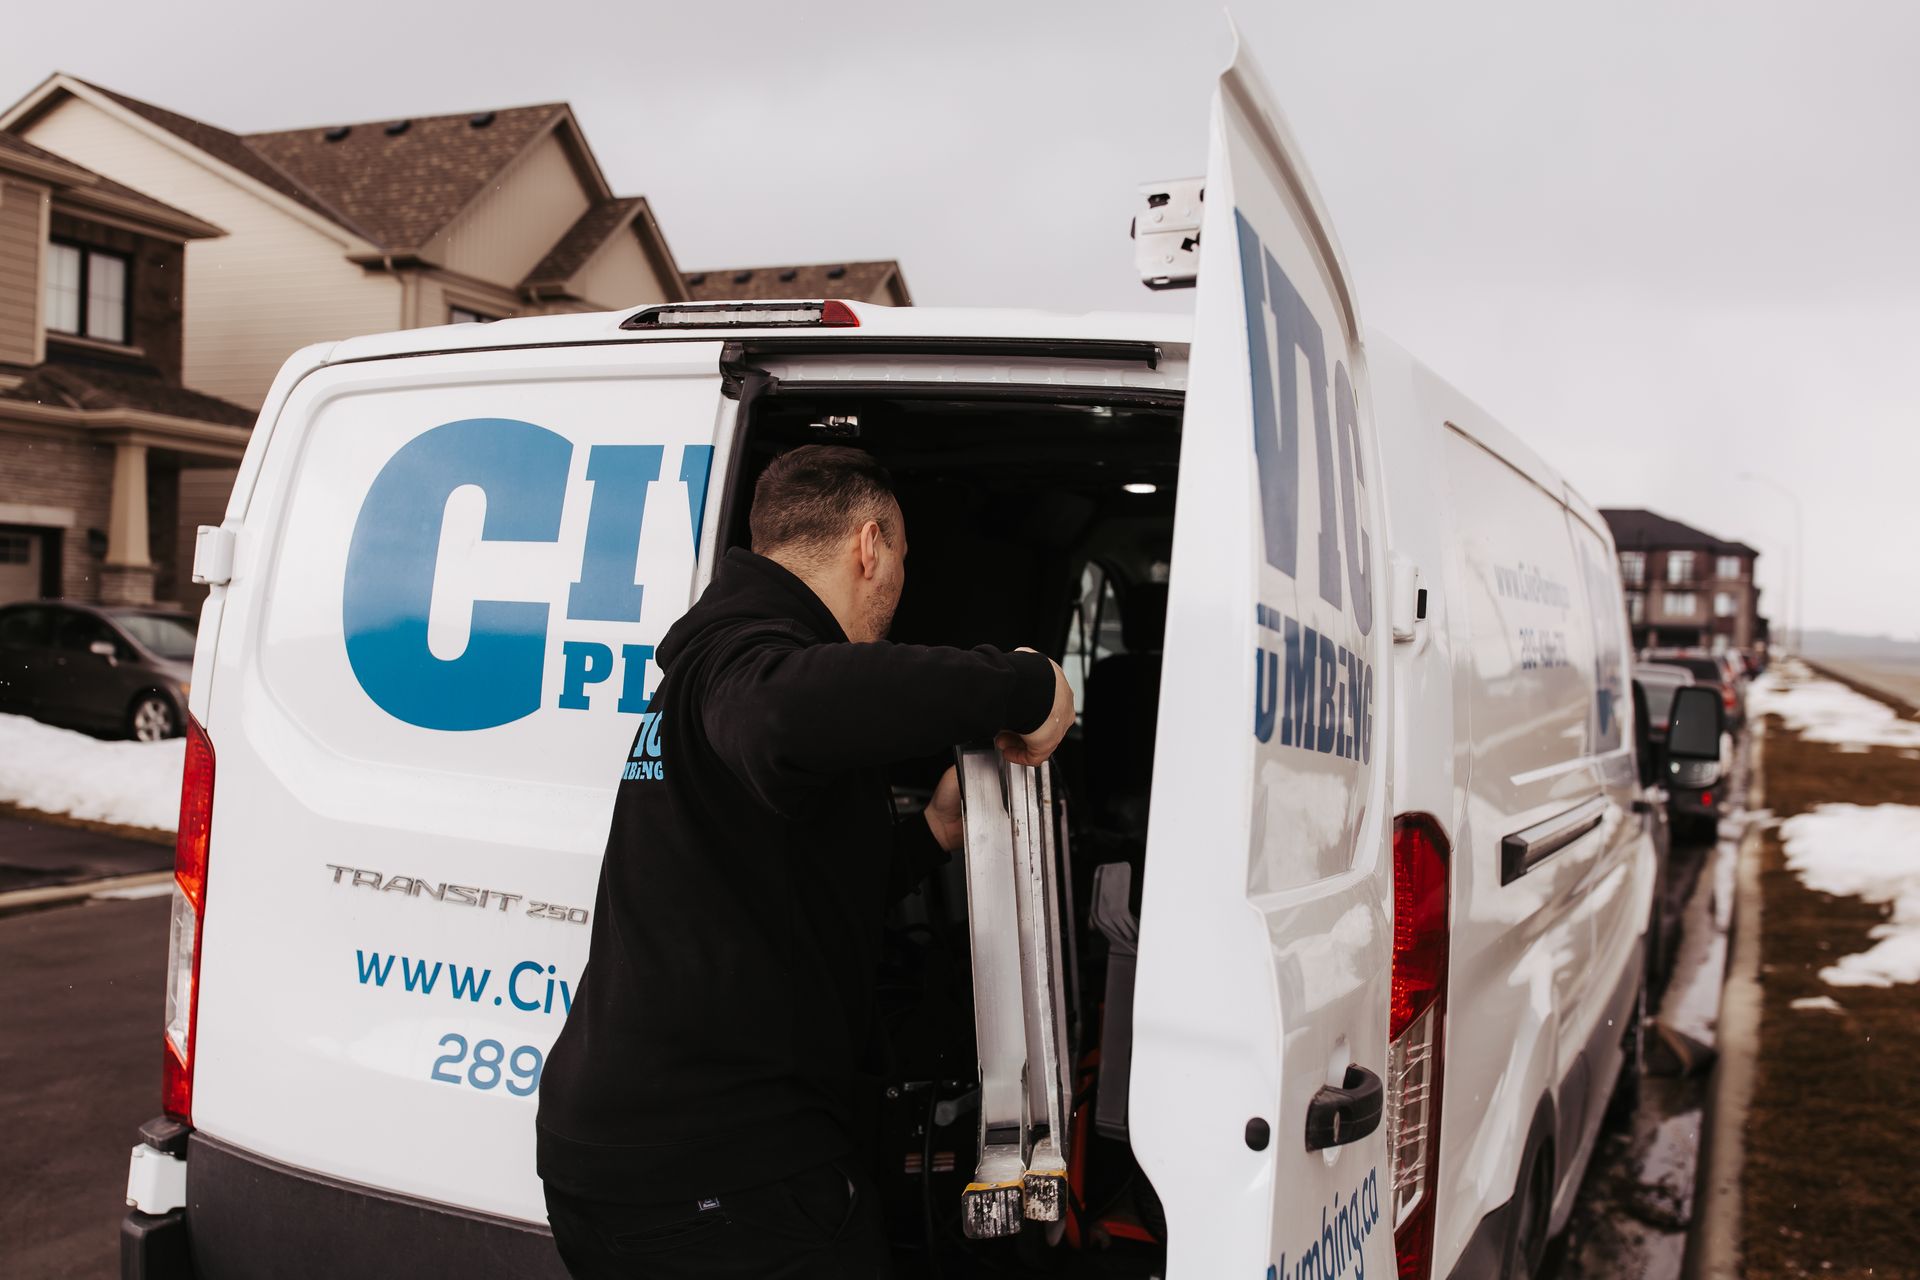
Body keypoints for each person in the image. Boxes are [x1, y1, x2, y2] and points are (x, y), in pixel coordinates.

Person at [538, 444, 1075, 1278]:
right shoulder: (746, 661)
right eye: (900, 558)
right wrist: (1025, 685)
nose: (898, 584)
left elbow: (789, 873)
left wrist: (931, 834)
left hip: (636, 1155)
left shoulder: (713, 666)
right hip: (719, 1172)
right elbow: (784, 715)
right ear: (870, 546)